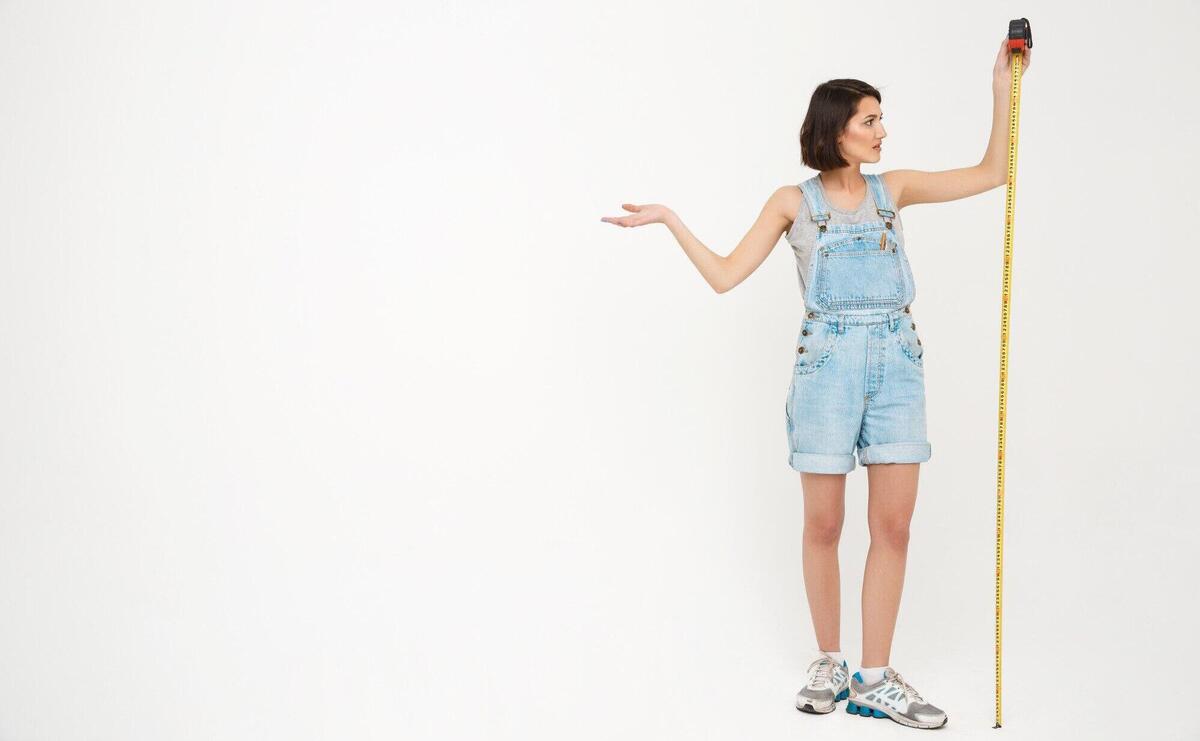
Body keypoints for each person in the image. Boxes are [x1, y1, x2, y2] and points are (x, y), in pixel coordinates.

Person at [601, 37, 1031, 730]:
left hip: (896, 364)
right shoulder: (791, 202)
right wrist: (672, 220)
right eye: (870, 120)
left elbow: (994, 172)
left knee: (893, 525)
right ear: (835, 130)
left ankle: (875, 678)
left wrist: (1001, 86)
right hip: (825, 370)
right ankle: (829, 659)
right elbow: (723, 276)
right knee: (824, 523)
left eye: (881, 119)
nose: (883, 130)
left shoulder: (899, 188)